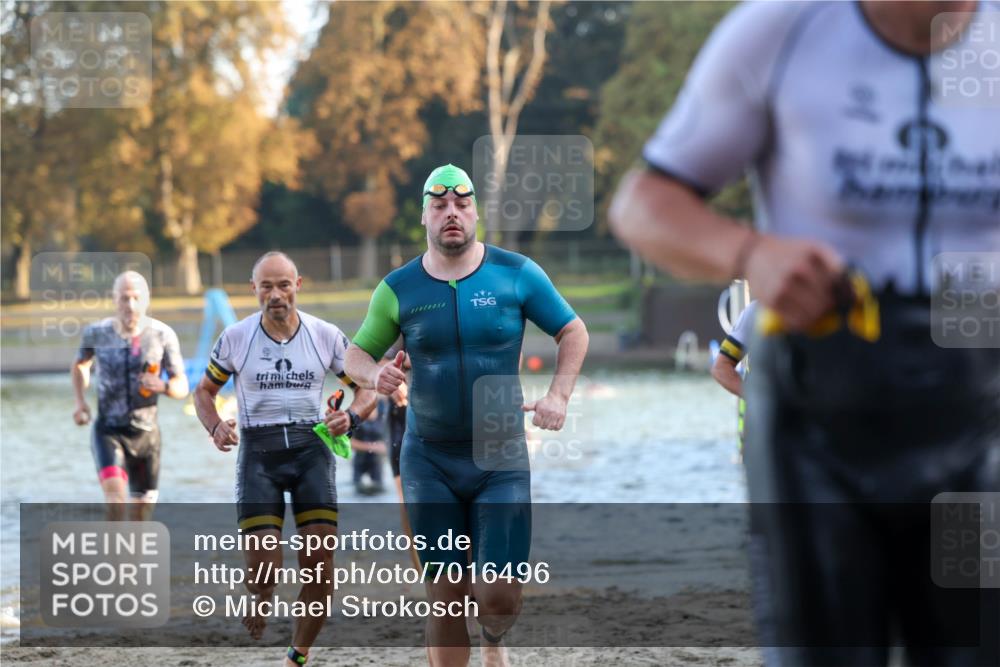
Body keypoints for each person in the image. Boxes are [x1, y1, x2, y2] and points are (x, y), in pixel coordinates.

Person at [609, 2, 999, 664]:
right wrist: (749, 253)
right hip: (820, 416)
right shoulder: (784, 29)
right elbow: (642, 203)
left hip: (978, 412)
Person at [344, 164, 589, 667]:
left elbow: (573, 331)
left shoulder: (516, 273)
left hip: (499, 457)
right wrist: (375, 377)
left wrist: (558, 397)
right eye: (439, 207)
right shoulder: (398, 288)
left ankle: (494, 640)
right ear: (425, 218)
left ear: (476, 211)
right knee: (446, 596)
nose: (451, 214)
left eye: (461, 205)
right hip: (428, 459)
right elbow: (354, 355)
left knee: (497, 597)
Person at [193, 251, 377, 667]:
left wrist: (350, 417)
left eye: (284, 285)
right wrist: (216, 426)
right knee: (264, 572)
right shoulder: (236, 338)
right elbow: (203, 392)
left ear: (298, 285)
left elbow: (367, 387)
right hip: (259, 456)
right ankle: (259, 596)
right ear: (253, 290)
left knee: (320, 567)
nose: (276, 295)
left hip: (312, 454)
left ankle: (297, 655)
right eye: (267, 287)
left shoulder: (325, 334)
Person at [71, 270, 188, 521]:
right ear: (114, 299)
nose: (130, 305)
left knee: (140, 518)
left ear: (147, 299)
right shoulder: (97, 333)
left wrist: (164, 386)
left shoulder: (162, 335)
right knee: (116, 502)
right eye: (124, 298)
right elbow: (80, 364)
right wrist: (80, 403)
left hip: (146, 436)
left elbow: (182, 386)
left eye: (136, 298)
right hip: (109, 431)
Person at [351, 397, 388, 495]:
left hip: (376, 463)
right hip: (360, 460)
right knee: (359, 489)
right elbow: (349, 443)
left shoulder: (384, 416)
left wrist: (385, 448)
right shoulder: (356, 418)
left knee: (379, 489)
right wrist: (372, 447)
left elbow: (389, 445)